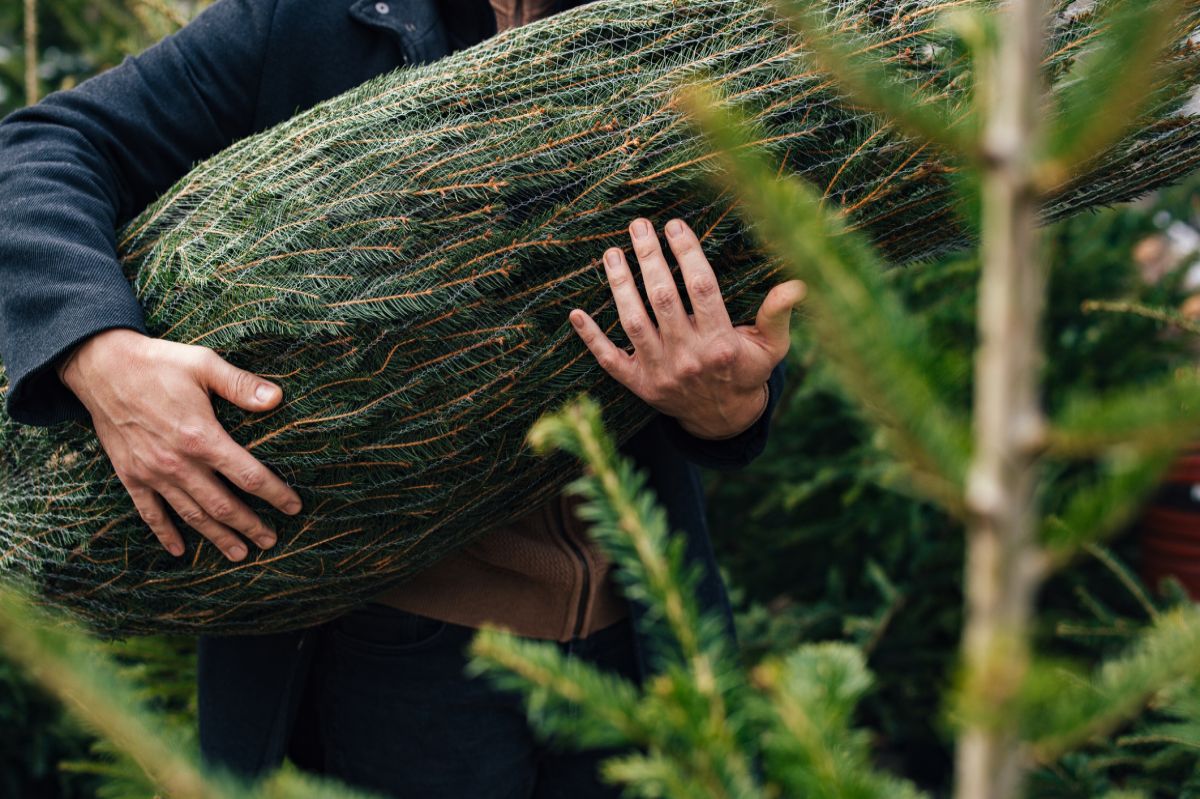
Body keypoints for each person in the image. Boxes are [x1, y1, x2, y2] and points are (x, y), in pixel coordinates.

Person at [0, 0, 802, 796]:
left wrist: (729, 406)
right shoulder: (315, 21)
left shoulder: (686, 33)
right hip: (390, 662)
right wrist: (97, 349)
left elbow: (752, 304)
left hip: (646, 638)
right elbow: (37, 150)